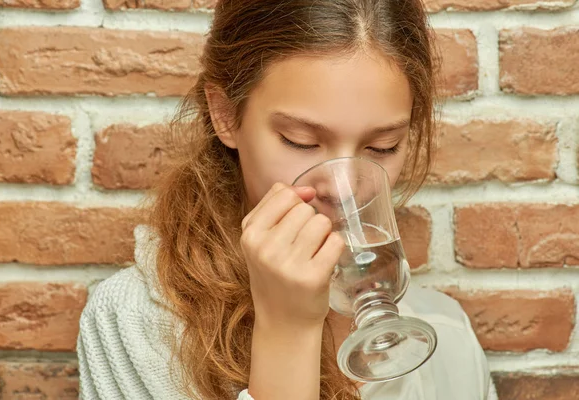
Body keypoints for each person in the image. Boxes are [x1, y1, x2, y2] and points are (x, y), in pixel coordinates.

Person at [77, 0, 496, 399]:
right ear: (225, 115)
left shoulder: (446, 333)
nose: (344, 187)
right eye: (302, 142)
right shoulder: (133, 324)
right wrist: (287, 330)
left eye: (382, 147)